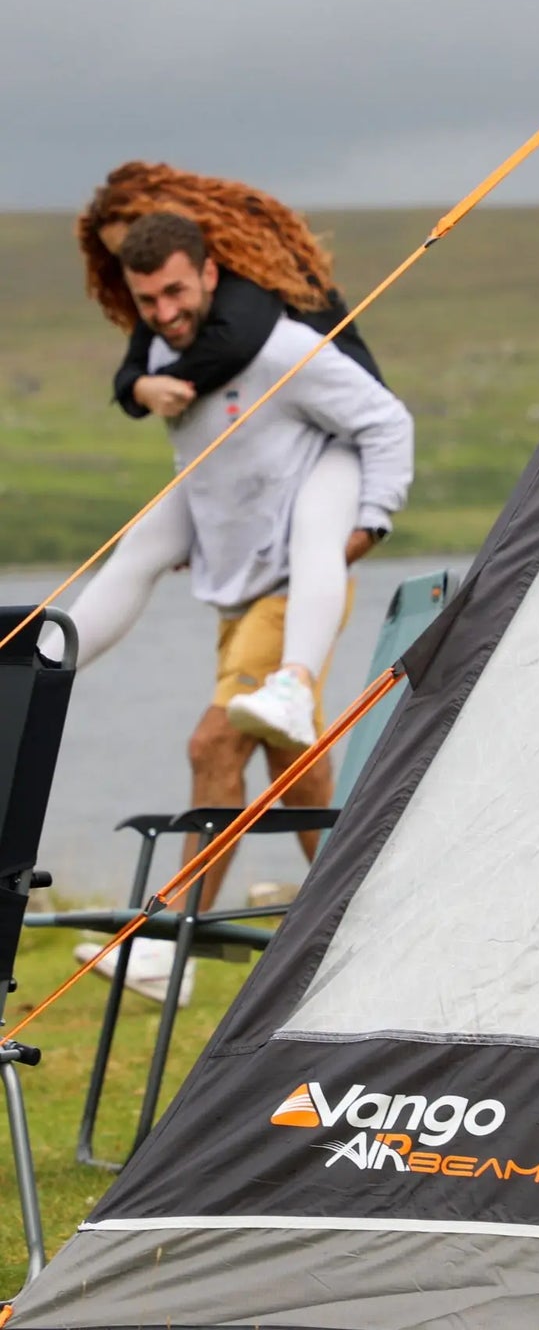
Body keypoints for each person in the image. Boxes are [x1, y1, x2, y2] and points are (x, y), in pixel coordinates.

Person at [67, 209, 413, 1000]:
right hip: (237, 587)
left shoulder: (282, 351)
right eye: (147, 300)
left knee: (213, 745)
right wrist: (140, 384)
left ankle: (169, 945)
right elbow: (218, 468)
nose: (165, 313)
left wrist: (370, 521)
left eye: (176, 293)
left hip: (292, 588)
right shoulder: (161, 353)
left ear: (210, 275)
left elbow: (385, 420)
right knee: (298, 769)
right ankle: (368, 920)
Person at [64, 163, 387, 752]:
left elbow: (235, 348)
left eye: (144, 241)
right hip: (259, 452)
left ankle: (294, 679)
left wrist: (165, 386)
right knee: (141, 545)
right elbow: (137, 368)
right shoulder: (172, 305)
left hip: (326, 435)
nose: (156, 300)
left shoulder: (243, 288)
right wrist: (140, 389)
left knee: (217, 743)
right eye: (125, 262)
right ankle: (42, 670)